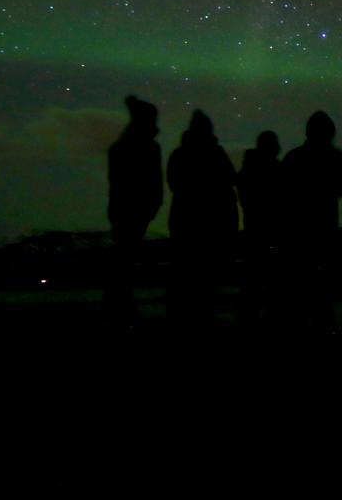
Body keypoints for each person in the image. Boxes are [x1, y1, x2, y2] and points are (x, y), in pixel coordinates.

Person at [281, 110, 342, 332]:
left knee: (298, 293)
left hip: (298, 233)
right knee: (322, 293)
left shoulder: (293, 157)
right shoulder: (337, 158)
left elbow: (282, 192)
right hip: (325, 229)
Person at [166, 110, 238, 327]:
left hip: (186, 219)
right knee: (203, 275)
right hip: (209, 222)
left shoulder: (179, 154)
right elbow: (229, 180)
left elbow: (174, 183)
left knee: (187, 272)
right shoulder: (216, 154)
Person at [104, 95, 163, 324]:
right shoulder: (142, 147)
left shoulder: (121, 147)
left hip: (126, 206)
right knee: (125, 257)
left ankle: (118, 302)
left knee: (124, 256)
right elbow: (149, 179)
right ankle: (119, 304)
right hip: (132, 207)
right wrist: (152, 202)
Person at [237, 130, 281, 322]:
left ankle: (249, 313)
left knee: (253, 269)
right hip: (270, 225)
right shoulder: (276, 169)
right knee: (269, 270)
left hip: (254, 223)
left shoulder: (248, 169)